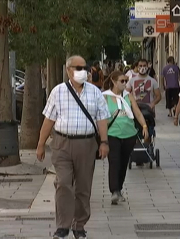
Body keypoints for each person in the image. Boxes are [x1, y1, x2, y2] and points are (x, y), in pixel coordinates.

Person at [36, 55, 110, 239]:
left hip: (86, 144)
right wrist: (40, 144)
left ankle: (79, 225)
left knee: (83, 187)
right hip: (62, 143)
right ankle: (62, 226)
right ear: (68, 70)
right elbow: (48, 120)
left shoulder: (95, 92)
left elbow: (102, 119)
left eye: (84, 67)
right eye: (78, 68)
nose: (83, 71)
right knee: (63, 184)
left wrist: (104, 142)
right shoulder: (58, 92)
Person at [102, 71, 149, 204]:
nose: (124, 83)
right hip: (112, 134)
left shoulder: (128, 96)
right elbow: (101, 117)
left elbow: (137, 112)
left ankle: (119, 188)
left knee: (123, 163)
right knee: (114, 161)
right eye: (122, 81)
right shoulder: (105, 97)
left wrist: (144, 126)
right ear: (113, 81)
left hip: (129, 134)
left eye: (126, 81)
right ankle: (114, 191)